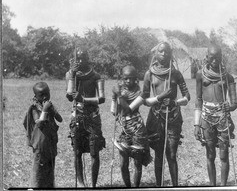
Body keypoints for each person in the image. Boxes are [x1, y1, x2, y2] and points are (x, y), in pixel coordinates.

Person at [129, 42, 190, 186]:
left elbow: (187, 97)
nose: (164, 54)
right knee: (158, 155)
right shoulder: (149, 74)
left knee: (172, 155)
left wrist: (175, 102)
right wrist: (159, 97)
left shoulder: (176, 74)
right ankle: (159, 186)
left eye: (167, 52)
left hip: (173, 117)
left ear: (171, 54)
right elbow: (144, 99)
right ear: (156, 54)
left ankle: (175, 187)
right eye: (161, 52)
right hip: (156, 118)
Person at [194, 44, 237, 186]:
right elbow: (198, 99)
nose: (214, 61)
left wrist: (229, 107)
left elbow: (234, 103)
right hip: (206, 118)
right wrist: (196, 124)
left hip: (222, 118)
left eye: (217, 57)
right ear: (207, 57)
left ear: (221, 58)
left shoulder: (228, 77)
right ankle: (212, 186)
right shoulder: (200, 74)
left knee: (224, 156)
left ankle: (223, 186)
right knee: (210, 154)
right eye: (211, 57)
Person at [66, 48, 106, 188]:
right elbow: (69, 95)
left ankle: (94, 185)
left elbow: (101, 98)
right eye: (77, 58)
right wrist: (72, 74)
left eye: (83, 57)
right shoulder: (71, 74)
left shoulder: (96, 76)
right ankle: (82, 183)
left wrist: (83, 98)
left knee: (94, 151)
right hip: (77, 115)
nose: (80, 61)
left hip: (92, 117)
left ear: (88, 58)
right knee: (77, 151)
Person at [110, 65, 152, 187]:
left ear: (136, 79)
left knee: (137, 163)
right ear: (122, 78)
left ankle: (136, 188)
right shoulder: (120, 90)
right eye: (126, 78)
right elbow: (114, 112)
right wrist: (114, 96)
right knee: (123, 163)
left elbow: (128, 109)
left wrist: (119, 95)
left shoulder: (140, 93)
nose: (128, 81)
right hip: (124, 129)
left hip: (137, 129)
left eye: (131, 78)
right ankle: (128, 187)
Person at [23, 82, 63, 188]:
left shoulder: (49, 105)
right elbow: (39, 123)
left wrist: (52, 110)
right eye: (41, 95)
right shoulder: (34, 108)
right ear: (35, 96)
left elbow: (60, 119)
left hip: (50, 142)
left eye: (47, 93)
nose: (45, 97)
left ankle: (49, 186)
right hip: (40, 144)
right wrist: (45, 110)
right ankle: (34, 187)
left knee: (50, 165)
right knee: (39, 168)